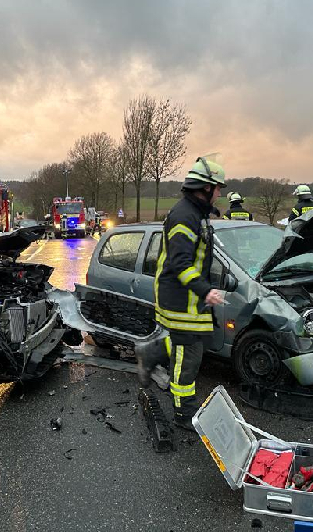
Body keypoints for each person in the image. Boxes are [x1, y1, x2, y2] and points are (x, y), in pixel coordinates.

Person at [134, 155, 227, 430]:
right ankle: (184, 412)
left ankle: (151, 353)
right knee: (189, 357)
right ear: (206, 188)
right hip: (180, 299)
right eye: (218, 188)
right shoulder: (185, 216)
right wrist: (205, 290)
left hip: (187, 298)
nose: (220, 193)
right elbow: (181, 263)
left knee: (191, 345)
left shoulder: (195, 213)